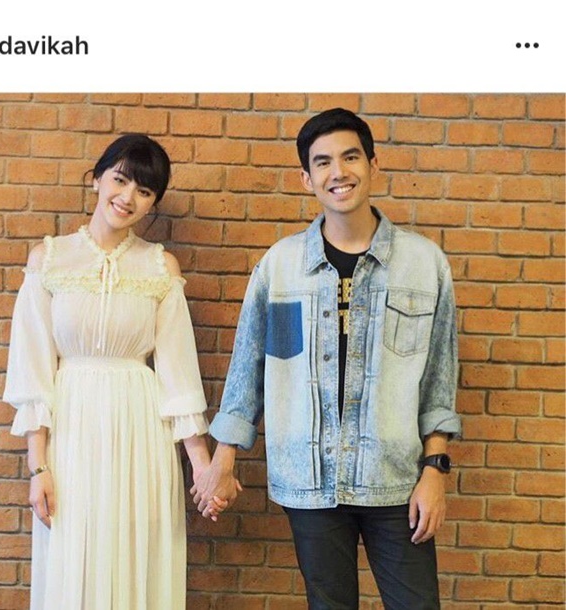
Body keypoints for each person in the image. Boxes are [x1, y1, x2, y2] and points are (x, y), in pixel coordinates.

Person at [193, 108, 461, 609]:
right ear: (307, 178)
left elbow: (439, 382)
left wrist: (435, 472)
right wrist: (222, 461)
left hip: (395, 481)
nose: (338, 172)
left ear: (373, 165)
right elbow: (250, 369)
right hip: (309, 479)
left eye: (350, 157)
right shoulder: (281, 267)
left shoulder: (424, 265)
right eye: (323, 163)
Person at [4, 133, 224, 610]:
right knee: (73, 560)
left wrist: (203, 467)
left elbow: (178, 376)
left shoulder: (160, 267)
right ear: (97, 179)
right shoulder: (49, 259)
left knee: (135, 558)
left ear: (153, 202)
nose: (128, 197)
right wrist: (38, 467)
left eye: (144, 191)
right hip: (71, 434)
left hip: (140, 433)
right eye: (120, 181)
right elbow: (32, 371)